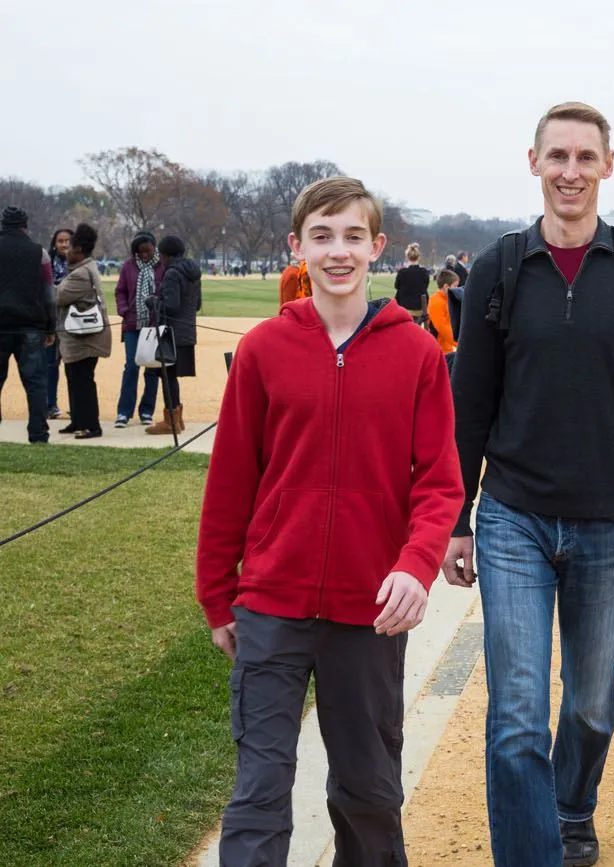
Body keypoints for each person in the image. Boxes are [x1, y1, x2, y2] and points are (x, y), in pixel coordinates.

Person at [441, 101, 614, 867]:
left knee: (589, 704)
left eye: (585, 157)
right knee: (517, 716)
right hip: (513, 514)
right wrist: (457, 516)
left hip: (609, 518)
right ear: (534, 163)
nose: (571, 171)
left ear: (608, 166)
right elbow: (470, 402)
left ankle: (573, 805)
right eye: (558, 156)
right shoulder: (500, 267)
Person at [196, 176, 463, 866]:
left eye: (352, 236)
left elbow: (439, 482)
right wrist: (216, 595)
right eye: (322, 236)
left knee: (368, 790)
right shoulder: (263, 349)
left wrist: (416, 564)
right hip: (272, 603)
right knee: (258, 791)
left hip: (368, 609)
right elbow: (231, 482)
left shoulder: (416, 354)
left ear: (376, 246)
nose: (337, 251)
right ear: (298, 247)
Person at [0, 206, 55, 443]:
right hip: (31, 326)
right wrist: (51, 326)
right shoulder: (39, 253)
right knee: (35, 383)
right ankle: (38, 433)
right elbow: (49, 294)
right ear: (25, 226)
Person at [54, 224, 110, 438]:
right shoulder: (84, 268)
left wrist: (40, 286)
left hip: (85, 338)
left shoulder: (81, 274)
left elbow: (58, 297)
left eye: (70, 247)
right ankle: (78, 420)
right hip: (80, 337)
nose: (66, 251)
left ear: (78, 250)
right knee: (74, 377)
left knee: (83, 380)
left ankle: (92, 426)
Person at [144, 235, 202, 436]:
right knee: (170, 376)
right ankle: (177, 418)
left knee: (166, 376)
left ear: (166, 255)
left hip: (171, 333)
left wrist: (153, 302)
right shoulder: (193, 272)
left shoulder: (171, 273)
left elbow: (171, 306)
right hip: (187, 331)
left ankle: (171, 421)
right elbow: (197, 305)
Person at [113, 231, 164, 428]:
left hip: (154, 324)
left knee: (152, 367)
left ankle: (146, 411)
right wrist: (124, 310)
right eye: (140, 252)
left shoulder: (162, 266)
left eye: (148, 251)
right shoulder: (128, 266)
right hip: (132, 324)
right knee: (131, 366)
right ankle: (124, 412)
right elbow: (120, 291)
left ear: (154, 247)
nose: (144, 255)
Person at [45, 228, 73, 419]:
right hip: (51, 320)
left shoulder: (78, 263)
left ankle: (76, 406)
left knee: (73, 365)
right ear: (54, 244)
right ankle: (50, 405)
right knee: (50, 364)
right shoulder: (47, 264)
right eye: (60, 241)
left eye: (67, 240)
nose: (64, 244)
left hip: (73, 321)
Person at [426, 267, 459, 358]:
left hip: (447, 347)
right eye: (455, 286)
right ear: (446, 286)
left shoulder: (447, 299)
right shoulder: (436, 302)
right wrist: (459, 343)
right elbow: (443, 327)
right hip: (438, 349)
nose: (457, 289)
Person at [394, 242, 430, 317]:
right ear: (419, 257)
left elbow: (396, 286)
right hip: (420, 307)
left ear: (407, 257)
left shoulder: (402, 272)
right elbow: (426, 286)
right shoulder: (424, 272)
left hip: (404, 307)